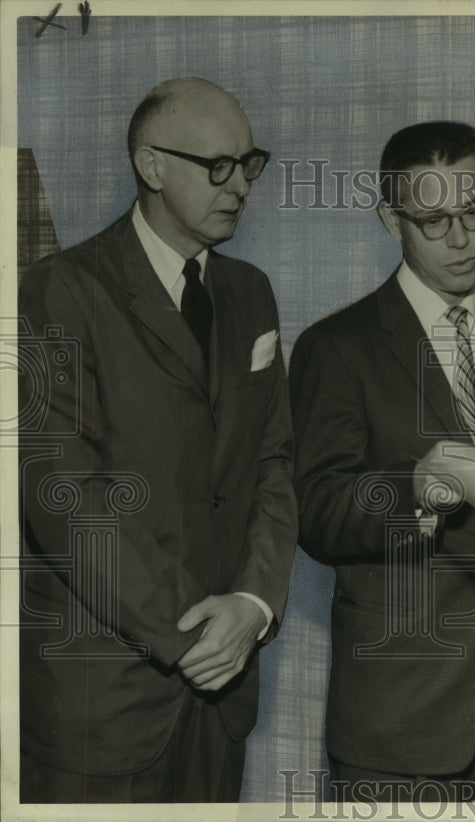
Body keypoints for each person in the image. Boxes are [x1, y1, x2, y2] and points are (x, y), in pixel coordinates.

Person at [18, 79, 297, 803]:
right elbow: (62, 496)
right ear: (151, 166)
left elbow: (273, 463)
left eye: (248, 164)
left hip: (221, 700)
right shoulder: (58, 291)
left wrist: (255, 606)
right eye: (217, 166)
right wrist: (196, 636)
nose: (239, 185)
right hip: (103, 707)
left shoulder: (252, 293)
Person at [290, 121, 475, 800]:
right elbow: (317, 511)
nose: (462, 237)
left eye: (474, 210)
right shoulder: (336, 347)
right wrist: (411, 488)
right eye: (434, 219)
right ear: (391, 219)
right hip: (398, 717)